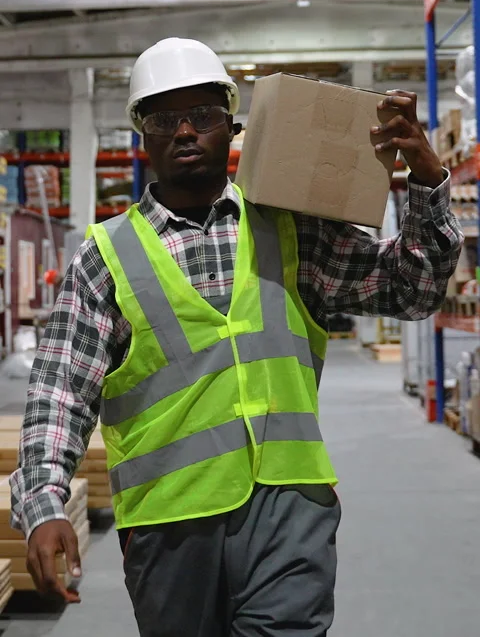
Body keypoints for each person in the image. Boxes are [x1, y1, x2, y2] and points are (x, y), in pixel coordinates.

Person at [10, 38, 462, 637]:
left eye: (203, 115)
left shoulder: (293, 229)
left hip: (289, 512)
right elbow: (59, 393)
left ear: (231, 124)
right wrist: (44, 502)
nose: (186, 131)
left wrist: (426, 185)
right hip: (169, 527)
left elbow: (412, 288)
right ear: (143, 133)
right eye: (165, 118)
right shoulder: (105, 258)